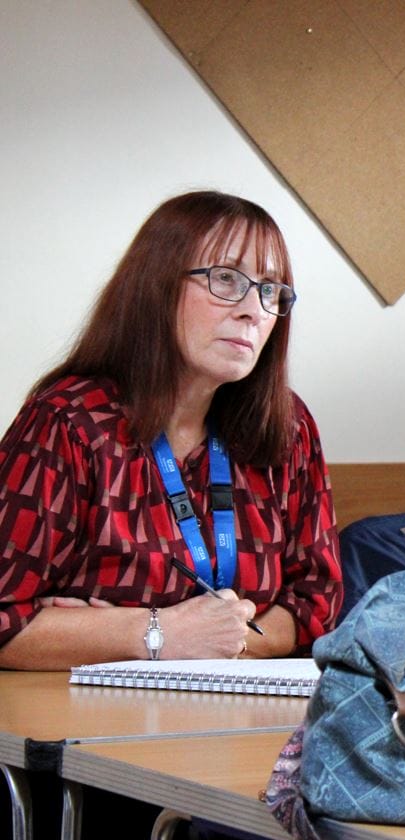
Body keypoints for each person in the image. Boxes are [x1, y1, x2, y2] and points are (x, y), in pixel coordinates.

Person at [0, 191, 342, 671]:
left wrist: (221, 639)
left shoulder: (288, 425)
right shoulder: (69, 421)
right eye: (226, 278)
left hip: (237, 717)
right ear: (155, 285)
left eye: (270, 289)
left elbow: (315, 604)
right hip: (87, 722)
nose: (254, 310)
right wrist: (155, 632)